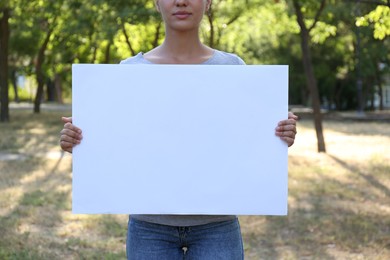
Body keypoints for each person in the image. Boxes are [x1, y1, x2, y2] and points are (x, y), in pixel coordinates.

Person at [60, 0, 298, 259]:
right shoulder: (129, 72)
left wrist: (278, 135)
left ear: (208, 3)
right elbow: (116, 145)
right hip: (149, 226)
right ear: (156, 3)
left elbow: (246, 142)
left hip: (217, 225)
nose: (181, 1)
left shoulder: (233, 69)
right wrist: (80, 142)